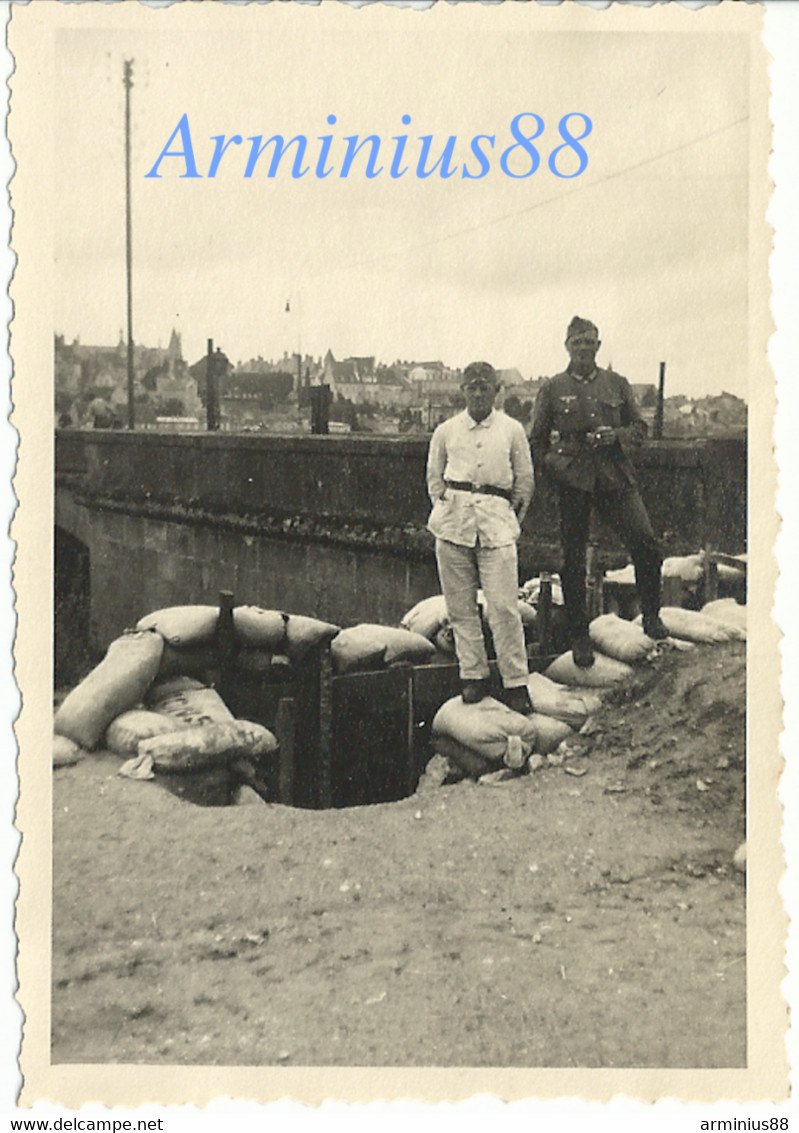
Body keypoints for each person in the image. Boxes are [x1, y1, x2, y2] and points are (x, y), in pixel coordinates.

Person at [531, 316, 667, 668]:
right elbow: (537, 440)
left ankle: (652, 616)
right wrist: (554, 468)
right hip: (573, 479)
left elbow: (640, 428)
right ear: (567, 346)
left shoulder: (617, 384)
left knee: (646, 543)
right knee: (572, 558)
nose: (583, 349)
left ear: (598, 346)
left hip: (614, 476)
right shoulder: (552, 387)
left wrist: (616, 436)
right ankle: (580, 635)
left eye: (590, 342)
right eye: (577, 342)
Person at [426, 361, 535, 714]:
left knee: (503, 607)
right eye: (471, 386)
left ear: (496, 390)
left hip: (496, 524)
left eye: (484, 386)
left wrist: (509, 516)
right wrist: (446, 507)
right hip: (453, 524)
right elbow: (434, 478)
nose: (477, 392)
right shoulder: (446, 430)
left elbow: (524, 480)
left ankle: (515, 682)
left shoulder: (512, 429)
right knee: (460, 609)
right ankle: (473, 675)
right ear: (462, 391)